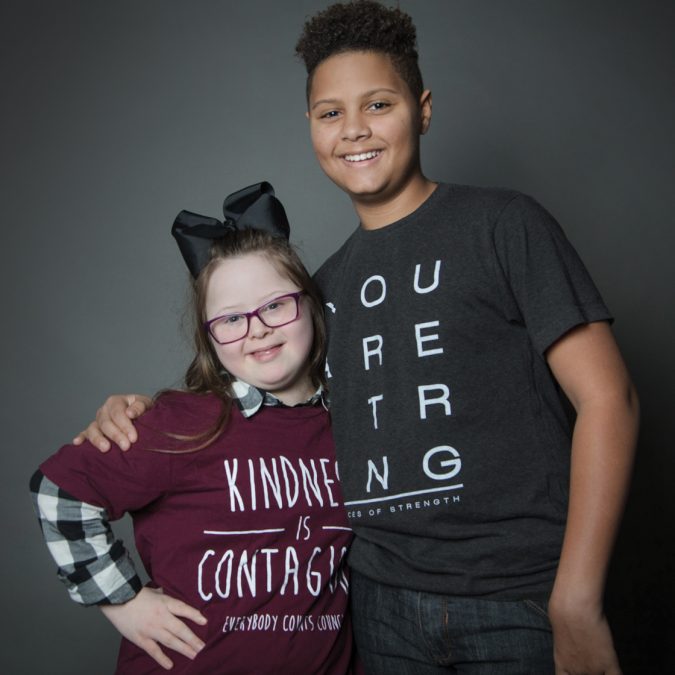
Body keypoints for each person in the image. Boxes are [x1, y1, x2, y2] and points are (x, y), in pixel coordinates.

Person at [76, 2, 640, 673]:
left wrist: (575, 598)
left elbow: (610, 400)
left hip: (519, 595)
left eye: (378, 104)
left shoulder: (503, 225)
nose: (354, 130)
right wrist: (132, 410)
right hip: (378, 603)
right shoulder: (320, 289)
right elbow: (253, 387)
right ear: (309, 126)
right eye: (330, 112)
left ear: (422, 109)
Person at [31, 183, 357, 674]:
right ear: (208, 336)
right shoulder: (185, 424)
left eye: (275, 305)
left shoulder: (353, 420)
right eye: (230, 319)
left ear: (309, 303)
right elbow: (62, 491)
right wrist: (124, 601)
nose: (257, 328)